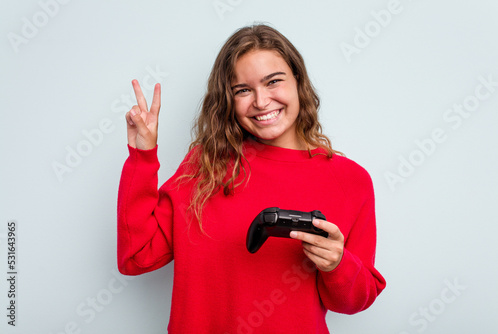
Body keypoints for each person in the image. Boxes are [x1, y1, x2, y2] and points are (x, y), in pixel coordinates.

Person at [117, 24, 386, 333]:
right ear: (228, 100)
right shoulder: (206, 165)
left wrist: (337, 264)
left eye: (273, 82)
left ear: (299, 82)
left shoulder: (350, 180)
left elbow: (352, 302)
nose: (260, 101)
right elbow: (136, 257)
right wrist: (142, 155)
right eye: (242, 90)